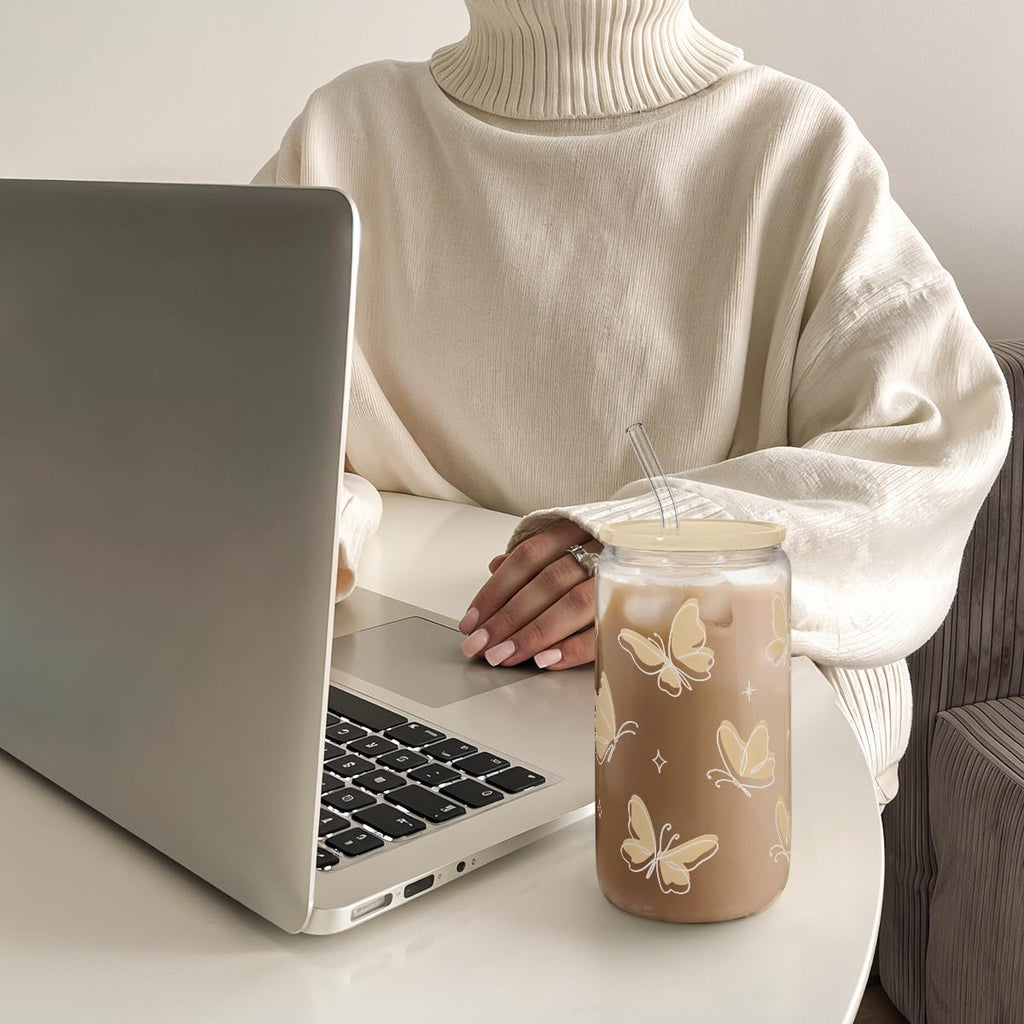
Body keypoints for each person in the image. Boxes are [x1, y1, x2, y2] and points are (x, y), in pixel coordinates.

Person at [252, 0, 1011, 806]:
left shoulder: (792, 141)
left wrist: (666, 546)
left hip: (727, 717)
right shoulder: (344, 132)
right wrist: (320, 522)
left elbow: (931, 451)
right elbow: (222, 420)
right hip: (386, 682)